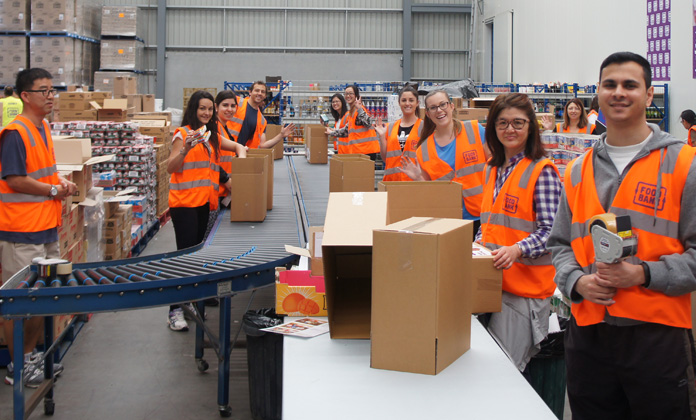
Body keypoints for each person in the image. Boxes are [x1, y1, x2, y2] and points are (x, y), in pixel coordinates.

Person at [547, 51, 696, 419]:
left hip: (656, 336)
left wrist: (644, 273)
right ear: (597, 94)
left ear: (648, 96)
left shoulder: (684, 164)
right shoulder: (577, 170)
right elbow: (560, 244)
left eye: (630, 85)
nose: (619, 92)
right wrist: (576, 282)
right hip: (588, 335)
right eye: (609, 84)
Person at [475, 92, 561, 376]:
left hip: (523, 292)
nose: (509, 130)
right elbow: (487, 224)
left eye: (518, 123)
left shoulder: (541, 171)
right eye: (502, 123)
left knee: (504, 373)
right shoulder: (492, 169)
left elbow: (552, 232)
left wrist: (517, 250)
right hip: (492, 284)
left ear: (530, 127)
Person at [0, 68, 76, 387]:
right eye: (43, 91)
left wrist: (58, 182)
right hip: (21, 233)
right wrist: (53, 190)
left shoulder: (42, 127)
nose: (50, 96)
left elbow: (41, 172)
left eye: (52, 90)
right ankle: (19, 366)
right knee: (21, 303)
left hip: (45, 228)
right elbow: (15, 179)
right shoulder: (15, 133)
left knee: (43, 299)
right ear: (24, 96)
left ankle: (29, 357)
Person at [166, 90, 247, 331]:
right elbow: (170, 167)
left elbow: (235, 145)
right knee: (185, 259)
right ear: (193, 109)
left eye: (210, 109)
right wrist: (185, 148)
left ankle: (191, 300)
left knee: (197, 256)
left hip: (203, 204)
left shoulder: (210, 136)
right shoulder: (183, 135)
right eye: (203, 108)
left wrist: (241, 155)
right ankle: (175, 310)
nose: (207, 113)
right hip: (184, 205)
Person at [400, 89, 490, 235]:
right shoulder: (423, 151)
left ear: (451, 106)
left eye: (443, 105)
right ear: (427, 114)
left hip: (484, 216)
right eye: (433, 108)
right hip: (449, 221)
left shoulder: (475, 130)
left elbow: (496, 166)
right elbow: (432, 192)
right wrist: (418, 178)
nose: (439, 110)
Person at [373, 85, 422, 181]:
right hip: (392, 182)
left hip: (414, 183)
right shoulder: (390, 127)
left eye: (411, 100)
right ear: (399, 103)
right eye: (404, 100)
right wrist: (382, 137)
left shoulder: (424, 127)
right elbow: (385, 158)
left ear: (417, 103)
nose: (407, 103)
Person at [227, 81, 294, 149]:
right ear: (250, 92)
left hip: (241, 155)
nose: (259, 93)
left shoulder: (262, 121)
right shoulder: (236, 102)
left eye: (262, 92)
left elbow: (262, 145)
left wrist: (281, 135)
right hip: (224, 149)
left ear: (265, 96)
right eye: (257, 90)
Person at [324, 84, 380, 159]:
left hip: (366, 152)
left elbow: (368, 123)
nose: (348, 96)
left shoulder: (359, 110)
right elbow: (346, 131)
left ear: (356, 95)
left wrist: (360, 108)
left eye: (350, 93)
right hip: (359, 151)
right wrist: (331, 132)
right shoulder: (352, 112)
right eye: (346, 94)